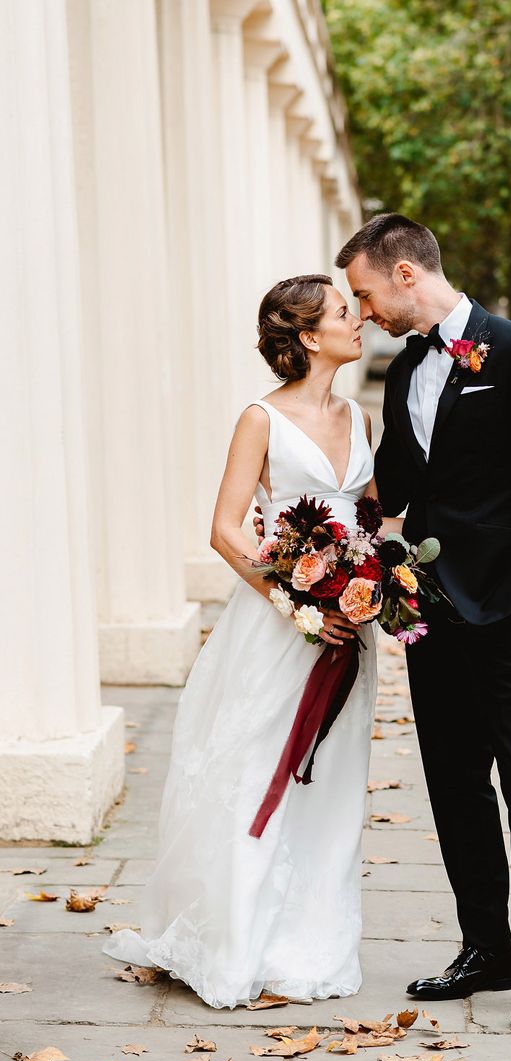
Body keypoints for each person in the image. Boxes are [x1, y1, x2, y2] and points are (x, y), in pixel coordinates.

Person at [102, 275, 400, 1008]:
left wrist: (377, 581)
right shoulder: (260, 419)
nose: (358, 320)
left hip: (348, 630)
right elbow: (226, 529)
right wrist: (292, 602)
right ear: (306, 337)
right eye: (342, 312)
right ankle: (233, 938)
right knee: (250, 772)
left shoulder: (360, 417)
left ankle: (310, 941)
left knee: (328, 782)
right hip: (277, 630)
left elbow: (369, 519)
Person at [336, 213, 511, 1027]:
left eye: (366, 294)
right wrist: (331, 543)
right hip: (430, 607)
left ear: (406, 274)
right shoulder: (404, 367)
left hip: (508, 605)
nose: (364, 312)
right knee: (453, 783)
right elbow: (400, 484)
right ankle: (486, 948)